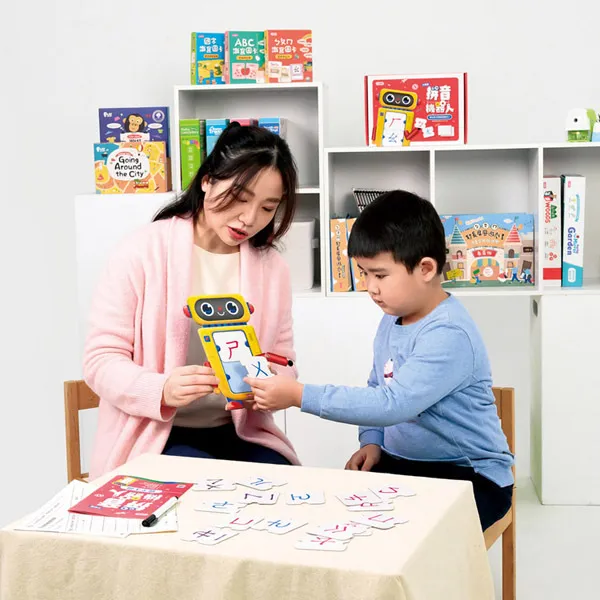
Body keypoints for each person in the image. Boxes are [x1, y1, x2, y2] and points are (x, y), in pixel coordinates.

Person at [244, 190, 514, 530]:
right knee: (342, 522)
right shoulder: (394, 317)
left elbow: (392, 404)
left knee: (409, 539)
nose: (370, 287)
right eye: (364, 273)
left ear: (425, 268)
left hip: (469, 475)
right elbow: (377, 385)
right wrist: (372, 441)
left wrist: (299, 395)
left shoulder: (448, 333)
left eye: (380, 275)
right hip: (405, 464)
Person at [83, 123, 301, 480]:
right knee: (205, 488)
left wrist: (272, 385)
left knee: (285, 486)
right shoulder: (142, 251)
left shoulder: (272, 268)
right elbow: (100, 360)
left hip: (240, 430)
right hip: (155, 433)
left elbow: (284, 359)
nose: (249, 219)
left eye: (267, 208)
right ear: (207, 181)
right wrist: (162, 389)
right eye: (240, 197)